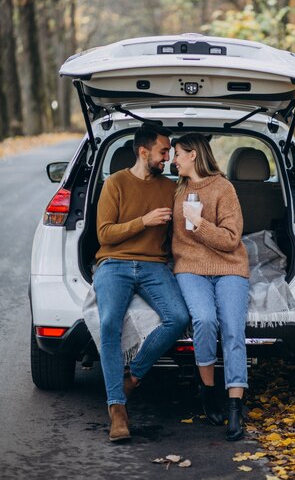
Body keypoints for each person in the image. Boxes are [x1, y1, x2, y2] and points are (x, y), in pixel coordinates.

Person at [94, 125, 189, 442]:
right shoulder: (115, 183)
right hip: (114, 263)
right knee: (109, 323)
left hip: (153, 266)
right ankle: (117, 410)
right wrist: (144, 221)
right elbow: (104, 234)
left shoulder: (170, 188)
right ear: (143, 151)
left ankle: (132, 377)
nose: (168, 158)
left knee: (178, 317)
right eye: (164, 151)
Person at [171, 133, 250, 441]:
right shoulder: (177, 190)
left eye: (177, 153)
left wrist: (199, 223)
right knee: (204, 321)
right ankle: (208, 392)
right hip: (189, 268)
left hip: (229, 266)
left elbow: (231, 239)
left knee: (232, 328)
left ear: (193, 155)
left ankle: (234, 407)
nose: (173, 160)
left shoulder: (224, 188)